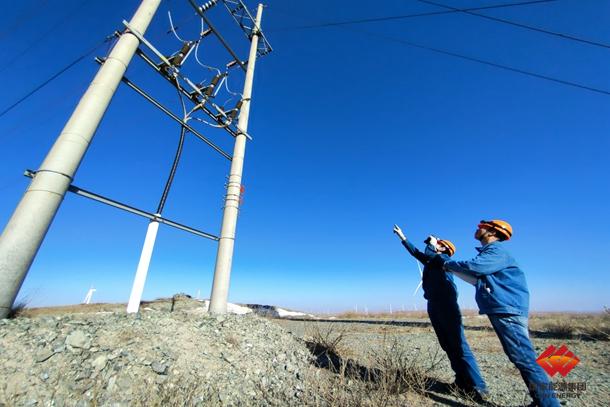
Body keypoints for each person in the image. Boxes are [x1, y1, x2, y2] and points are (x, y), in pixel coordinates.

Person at [443, 220, 560, 407]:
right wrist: (450, 267)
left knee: (525, 359)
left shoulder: (496, 251)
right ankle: (541, 401)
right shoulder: (492, 255)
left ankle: (549, 404)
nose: (477, 228)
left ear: (492, 232)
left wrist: (447, 261)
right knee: (521, 358)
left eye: (482, 226)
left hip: (508, 311)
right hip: (504, 310)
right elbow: (475, 278)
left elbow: (474, 267)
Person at [393, 225, 488, 399]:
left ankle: (479, 387)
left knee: (459, 345)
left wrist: (433, 243)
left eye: (438, 244)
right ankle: (462, 382)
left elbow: (429, 255)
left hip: (446, 304)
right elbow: (416, 253)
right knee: (447, 345)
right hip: (434, 304)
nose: (432, 245)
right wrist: (403, 238)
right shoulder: (431, 261)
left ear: (444, 248)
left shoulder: (442, 259)